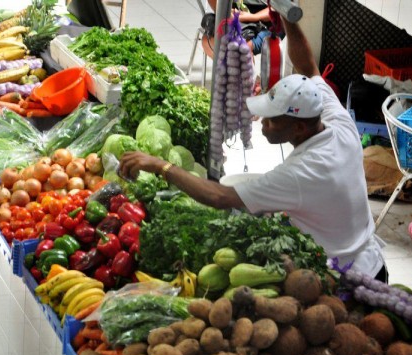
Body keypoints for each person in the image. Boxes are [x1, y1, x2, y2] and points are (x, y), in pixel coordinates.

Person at [119, 15, 387, 281]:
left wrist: (161, 166)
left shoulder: (301, 172)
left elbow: (220, 197)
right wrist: (287, 17)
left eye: (272, 120)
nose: (262, 124)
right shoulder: (336, 121)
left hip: (343, 277)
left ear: (299, 129)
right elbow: (309, 68)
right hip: (371, 257)